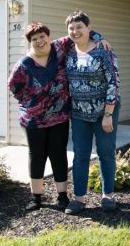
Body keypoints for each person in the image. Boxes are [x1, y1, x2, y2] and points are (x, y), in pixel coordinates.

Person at [8, 22, 106, 211]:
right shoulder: (24, 64)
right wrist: (29, 103)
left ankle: (62, 196)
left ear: (48, 37)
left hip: (60, 116)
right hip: (34, 119)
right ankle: (36, 198)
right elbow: (13, 86)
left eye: (42, 36)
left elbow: (80, 33)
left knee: (58, 154)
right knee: (37, 155)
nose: (39, 41)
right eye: (34, 39)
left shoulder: (59, 48)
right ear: (30, 42)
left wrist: (100, 39)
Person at [64, 11, 120, 214]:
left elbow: (114, 82)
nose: (75, 31)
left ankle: (108, 196)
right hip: (79, 113)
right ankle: (79, 198)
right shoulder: (67, 51)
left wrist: (108, 114)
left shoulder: (103, 50)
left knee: (105, 152)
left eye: (80, 27)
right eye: (71, 28)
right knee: (80, 155)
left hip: (104, 111)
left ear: (89, 28)